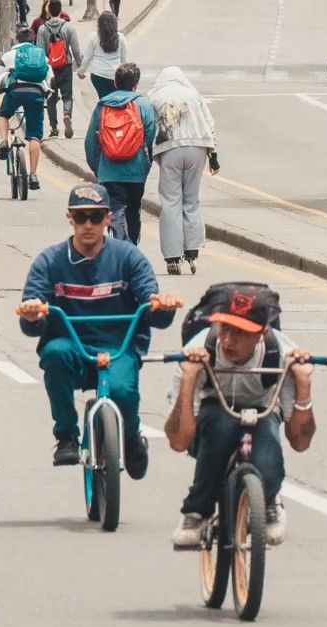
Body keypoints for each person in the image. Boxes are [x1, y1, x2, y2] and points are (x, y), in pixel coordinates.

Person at [17, 182, 181, 470]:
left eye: (96, 216)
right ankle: (66, 436)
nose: (88, 225)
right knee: (54, 355)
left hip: (118, 349)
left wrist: (160, 305)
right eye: (81, 217)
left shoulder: (128, 257)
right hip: (72, 349)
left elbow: (151, 303)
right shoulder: (50, 261)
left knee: (123, 392)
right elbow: (32, 314)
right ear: (70, 218)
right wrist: (32, 313)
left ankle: (131, 438)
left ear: (108, 217)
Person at [164, 284, 313, 548]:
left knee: (267, 454)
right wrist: (189, 378)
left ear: (262, 333)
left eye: (242, 333)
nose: (230, 340)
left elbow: (300, 442)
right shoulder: (199, 348)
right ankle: (196, 511)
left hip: (262, 412)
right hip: (213, 411)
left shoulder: (280, 354)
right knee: (220, 427)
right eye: (226, 328)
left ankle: (268, 501)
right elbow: (178, 441)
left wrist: (303, 384)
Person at [148, 66, 219, 275]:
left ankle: (172, 257)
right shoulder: (192, 93)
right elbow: (209, 123)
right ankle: (192, 251)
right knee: (191, 199)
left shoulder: (154, 95)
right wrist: (214, 156)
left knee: (171, 201)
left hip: (170, 148)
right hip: (198, 147)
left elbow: (149, 125)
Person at [84, 62, 156, 244]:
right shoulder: (143, 104)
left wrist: (97, 168)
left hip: (109, 172)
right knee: (133, 212)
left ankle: (118, 238)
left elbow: (90, 142)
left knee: (115, 211)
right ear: (135, 84)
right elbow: (150, 137)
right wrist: (146, 165)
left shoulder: (102, 106)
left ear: (115, 83)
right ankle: (130, 249)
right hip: (136, 172)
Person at [0, 28, 49, 191]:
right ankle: (33, 175)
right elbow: (50, 80)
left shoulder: (9, 55)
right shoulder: (41, 55)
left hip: (15, 91)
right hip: (37, 95)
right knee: (34, 136)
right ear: (33, 40)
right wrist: (46, 99)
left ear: (16, 40)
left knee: (3, 114)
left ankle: (4, 141)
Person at [37, 0, 84, 140]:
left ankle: (54, 128)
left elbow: (40, 52)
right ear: (61, 10)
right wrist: (80, 66)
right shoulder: (69, 28)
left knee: (50, 97)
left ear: (49, 11)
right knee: (67, 95)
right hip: (66, 66)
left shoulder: (42, 29)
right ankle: (67, 114)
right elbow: (76, 50)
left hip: (49, 69)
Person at [79, 10, 129, 101]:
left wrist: (81, 71)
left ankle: (103, 113)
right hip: (115, 75)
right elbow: (124, 60)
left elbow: (87, 57)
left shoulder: (93, 37)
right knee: (115, 101)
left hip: (98, 75)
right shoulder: (120, 37)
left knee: (104, 99)